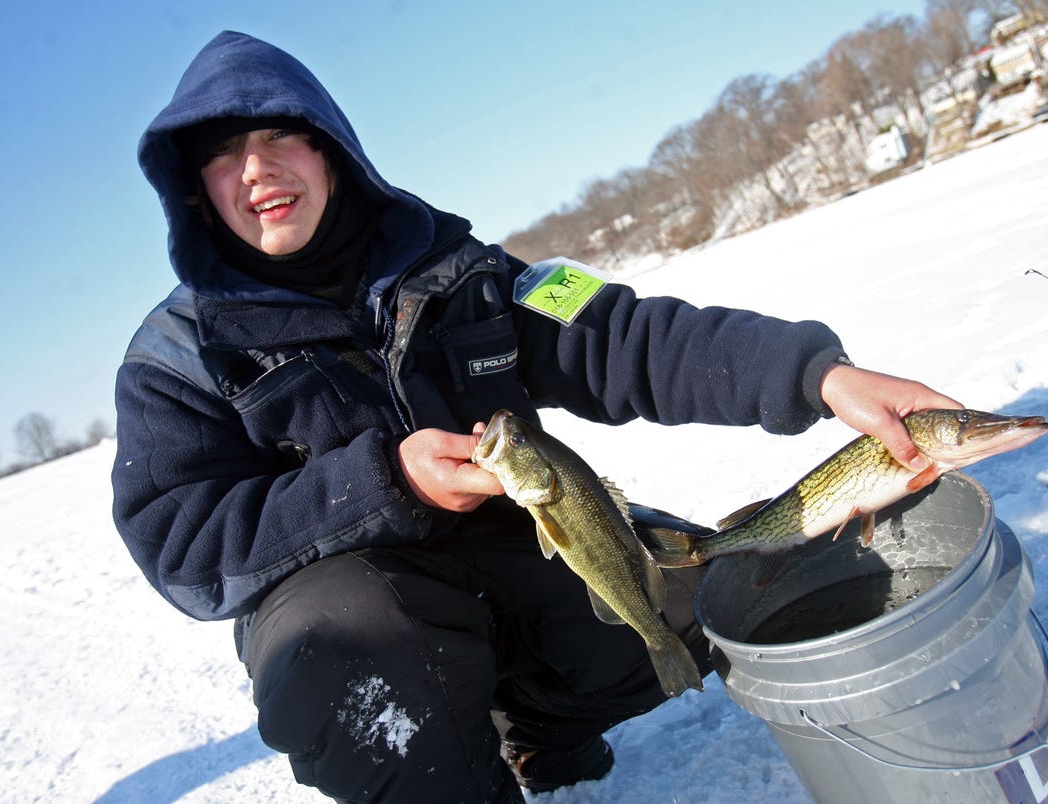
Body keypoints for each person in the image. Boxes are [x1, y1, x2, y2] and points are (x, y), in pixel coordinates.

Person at [112, 30, 961, 803]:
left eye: (276, 136)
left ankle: (540, 728)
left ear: (329, 148)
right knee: (358, 663)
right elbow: (182, 542)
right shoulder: (175, 358)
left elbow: (625, 333)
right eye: (223, 157)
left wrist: (820, 377)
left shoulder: (475, 268)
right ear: (194, 193)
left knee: (716, 593)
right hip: (359, 607)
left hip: (518, 546)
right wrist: (385, 481)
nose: (256, 170)